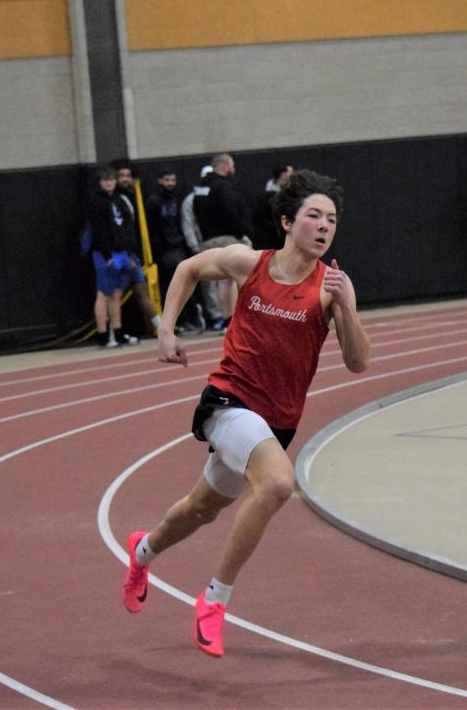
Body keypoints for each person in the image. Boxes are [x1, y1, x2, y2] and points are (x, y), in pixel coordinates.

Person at [121, 169, 371, 658]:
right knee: (278, 484)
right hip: (228, 401)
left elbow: (359, 362)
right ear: (286, 221)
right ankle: (215, 600)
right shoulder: (247, 263)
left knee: (200, 510)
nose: (324, 226)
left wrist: (347, 309)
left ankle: (141, 551)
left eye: (332, 220)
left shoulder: (333, 287)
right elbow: (188, 269)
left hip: (274, 423)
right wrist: (166, 330)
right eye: (314, 216)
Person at [195, 153, 255, 330]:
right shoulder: (223, 187)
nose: (234, 169)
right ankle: (237, 317)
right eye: (232, 165)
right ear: (226, 166)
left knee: (223, 280)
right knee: (236, 277)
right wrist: (242, 233)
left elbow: (196, 211)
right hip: (226, 237)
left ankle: (226, 319)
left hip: (207, 239)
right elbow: (231, 212)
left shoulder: (201, 188)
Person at [145, 169, 200, 333]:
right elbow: (152, 228)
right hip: (165, 249)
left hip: (177, 246)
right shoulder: (154, 201)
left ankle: (188, 318)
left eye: (172, 180)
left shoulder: (175, 200)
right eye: (167, 180)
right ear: (160, 181)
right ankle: (177, 321)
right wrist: (159, 252)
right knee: (172, 286)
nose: (170, 183)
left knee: (185, 285)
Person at [112, 161, 162, 337]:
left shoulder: (134, 196)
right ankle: (115, 333)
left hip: (133, 253)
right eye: (121, 176)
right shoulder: (114, 200)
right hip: (119, 254)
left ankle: (160, 326)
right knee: (115, 294)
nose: (125, 179)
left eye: (128, 176)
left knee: (141, 291)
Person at [88, 167, 136, 347]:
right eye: (105, 180)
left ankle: (118, 330)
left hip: (121, 251)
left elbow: (124, 227)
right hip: (104, 254)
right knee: (103, 294)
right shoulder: (97, 203)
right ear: (100, 183)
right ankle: (102, 334)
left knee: (116, 294)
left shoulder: (118, 200)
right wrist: (106, 255)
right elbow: (99, 231)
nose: (109, 183)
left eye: (111, 180)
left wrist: (128, 253)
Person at [182, 165, 221, 330]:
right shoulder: (191, 200)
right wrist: (195, 247)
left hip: (219, 242)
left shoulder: (220, 195)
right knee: (209, 282)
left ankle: (230, 313)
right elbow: (188, 223)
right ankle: (217, 316)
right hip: (203, 245)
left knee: (228, 281)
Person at [252, 165, 293, 250]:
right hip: (271, 241)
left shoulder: (285, 195)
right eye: (289, 174)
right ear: (283, 175)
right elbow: (260, 218)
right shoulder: (269, 197)